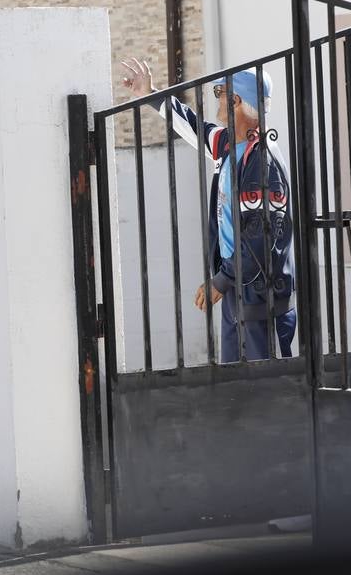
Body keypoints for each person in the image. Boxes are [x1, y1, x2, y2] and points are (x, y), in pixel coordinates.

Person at [122, 57, 296, 363]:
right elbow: (193, 126)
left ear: (238, 101)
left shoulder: (261, 161)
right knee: (236, 395)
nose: (216, 99)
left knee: (270, 395)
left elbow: (260, 238)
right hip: (235, 291)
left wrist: (221, 280)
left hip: (259, 298)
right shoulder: (229, 144)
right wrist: (150, 94)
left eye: (221, 93)